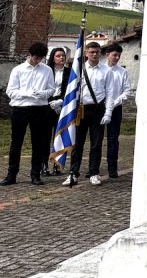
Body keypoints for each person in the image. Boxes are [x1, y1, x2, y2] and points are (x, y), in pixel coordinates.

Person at [3, 42, 55, 187]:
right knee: (16, 143)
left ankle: (35, 174)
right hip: (20, 109)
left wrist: (42, 94)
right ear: (30, 55)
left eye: (40, 58)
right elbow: (10, 91)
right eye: (35, 58)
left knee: (38, 143)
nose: (37, 61)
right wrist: (28, 94)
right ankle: (11, 175)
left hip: (39, 109)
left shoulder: (47, 70)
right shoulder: (18, 70)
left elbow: (51, 89)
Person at [67, 41, 108, 186]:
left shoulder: (106, 70)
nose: (94, 54)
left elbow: (109, 92)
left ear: (100, 53)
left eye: (97, 52)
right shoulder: (79, 69)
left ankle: (94, 172)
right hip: (81, 109)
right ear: (86, 53)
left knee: (96, 143)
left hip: (98, 109)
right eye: (91, 52)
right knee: (77, 143)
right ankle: (73, 173)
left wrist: (108, 112)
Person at [101, 43, 133, 180]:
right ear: (107, 54)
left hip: (116, 108)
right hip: (100, 107)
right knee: (97, 139)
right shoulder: (101, 69)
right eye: (114, 55)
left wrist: (115, 102)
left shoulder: (122, 72)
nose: (117, 57)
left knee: (113, 139)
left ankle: (112, 168)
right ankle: (93, 169)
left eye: (119, 55)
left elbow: (127, 91)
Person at [44, 46, 71, 177]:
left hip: (62, 105)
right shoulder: (46, 71)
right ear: (53, 58)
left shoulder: (70, 72)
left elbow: (71, 89)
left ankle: (57, 165)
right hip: (47, 105)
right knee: (45, 136)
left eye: (63, 56)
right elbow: (42, 87)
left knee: (59, 136)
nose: (61, 58)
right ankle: (44, 165)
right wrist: (50, 102)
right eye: (58, 56)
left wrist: (61, 102)